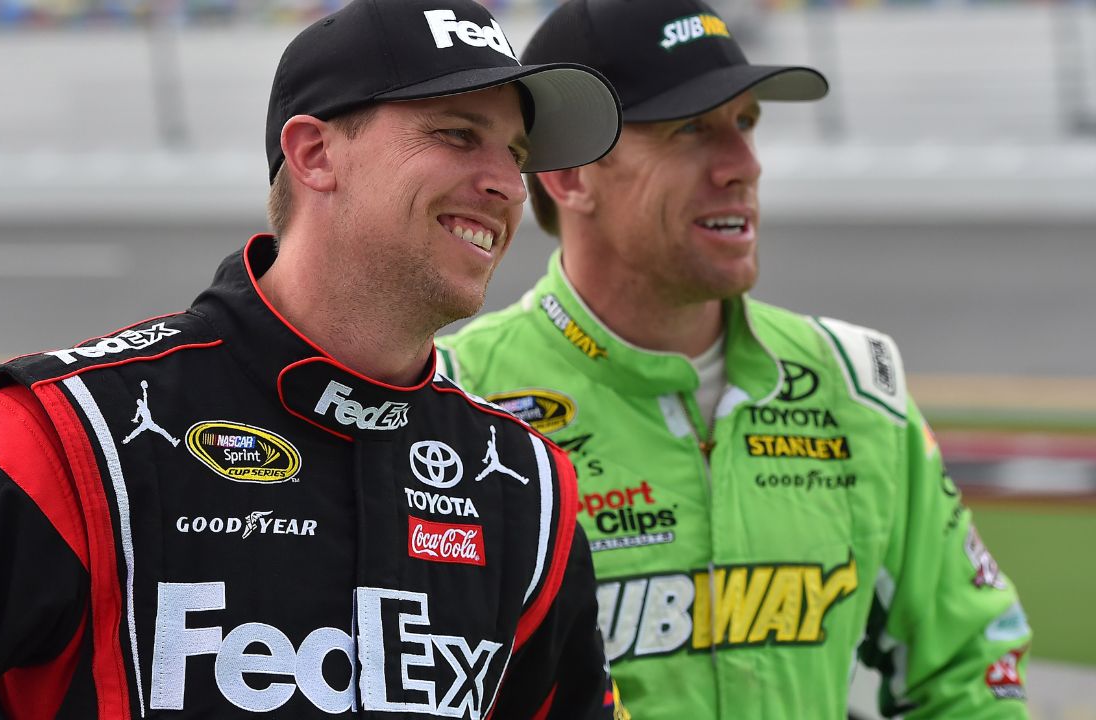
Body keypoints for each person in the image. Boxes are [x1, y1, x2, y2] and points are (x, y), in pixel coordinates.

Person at [0, 1, 628, 716]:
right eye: (458, 135)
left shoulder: (523, 484)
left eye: (517, 157)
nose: (508, 185)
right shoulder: (61, 436)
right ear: (313, 155)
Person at [437, 0, 1032, 717]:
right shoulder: (459, 399)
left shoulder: (854, 384)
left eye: (746, 124)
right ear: (570, 177)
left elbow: (972, 666)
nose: (743, 165)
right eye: (691, 129)